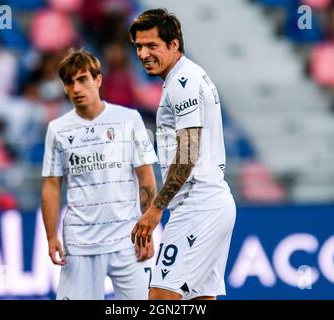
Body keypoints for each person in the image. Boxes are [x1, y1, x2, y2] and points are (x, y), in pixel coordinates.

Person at [130, 8, 237, 300]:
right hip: (213, 203)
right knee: (199, 300)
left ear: (174, 44)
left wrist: (155, 209)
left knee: (161, 299)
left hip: (197, 206)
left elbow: (188, 153)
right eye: (138, 46)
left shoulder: (182, 83)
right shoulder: (189, 76)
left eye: (152, 45)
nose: (143, 54)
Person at [41, 49, 158, 300]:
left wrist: (147, 231)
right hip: (80, 243)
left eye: (82, 79)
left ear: (98, 80)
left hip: (128, 240)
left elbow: (146, 176)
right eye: (69, 82)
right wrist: (51, 236)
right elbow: (51, 184)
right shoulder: (57, 129)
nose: (76, 88)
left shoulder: (129, 119)